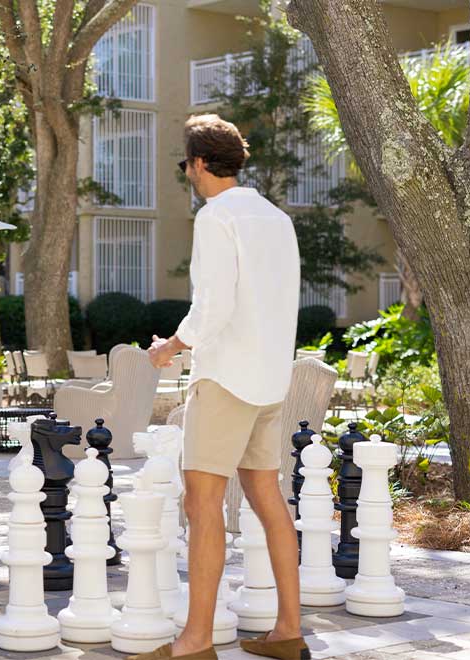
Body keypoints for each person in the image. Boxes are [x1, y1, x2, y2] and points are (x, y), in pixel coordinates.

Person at [136, 114, 306, 660]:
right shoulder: (277, 217)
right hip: (270, 380)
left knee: (201, 503)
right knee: (267, 495)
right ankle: (288, 631)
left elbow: (214, 304)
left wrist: (171, 347)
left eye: (187, 164)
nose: (187, 173)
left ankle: (195, 641)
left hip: (227, 379)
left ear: (200, 164)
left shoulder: (216, 217)